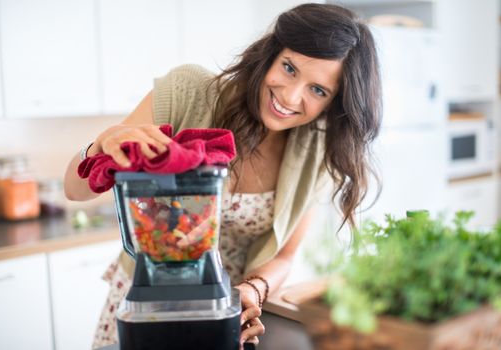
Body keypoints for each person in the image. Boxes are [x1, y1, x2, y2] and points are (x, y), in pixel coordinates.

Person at [64, 2, 381, 349]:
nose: (290, 96)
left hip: (227, 315)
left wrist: (254, 290)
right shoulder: (188, 93)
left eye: (317, 90)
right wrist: (100, 146)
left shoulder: (316, 153)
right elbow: (75, 191)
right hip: (147, 306)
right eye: (289, 68)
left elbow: (285, 256)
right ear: (272, 54)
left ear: (334, 103)